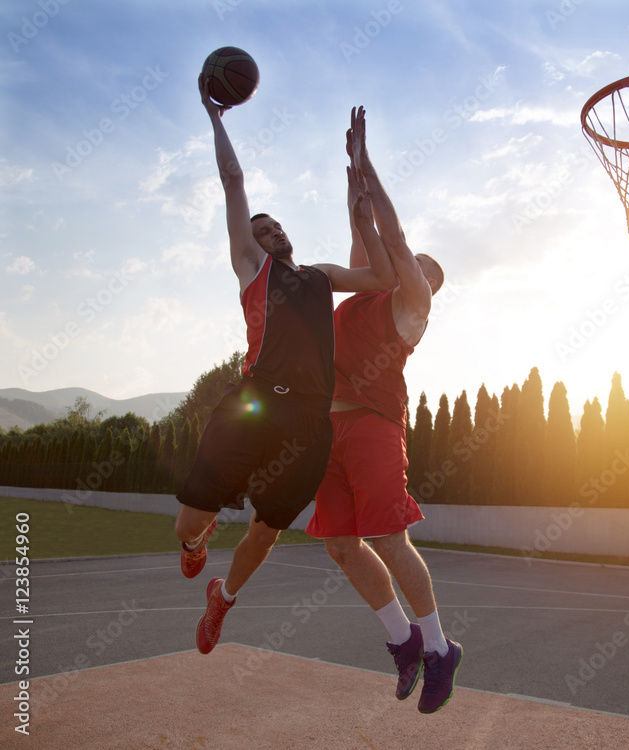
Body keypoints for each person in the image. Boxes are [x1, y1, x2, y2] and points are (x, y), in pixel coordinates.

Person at [175, 79, 397, 657]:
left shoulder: (319, 276)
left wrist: (362, 211)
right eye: (262, 230)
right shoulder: (253, 271)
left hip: (307, 421)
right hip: (254, 404)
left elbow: (381, 278)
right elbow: (233, 181)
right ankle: (197, 543)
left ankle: (222, 599)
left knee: (266, 529)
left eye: (276, 227)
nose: (272, 233)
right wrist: (215, 117)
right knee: (184, 526)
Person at [305, 106, 459, 714]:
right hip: (329, 425)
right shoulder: (370, 284)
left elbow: (390, 239)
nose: (407, 260)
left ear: (426, 280)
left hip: (372, 426)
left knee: (388, 539)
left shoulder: (412, 302)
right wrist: (353, 181)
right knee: (341, 545)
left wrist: (371, 165)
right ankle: (403, 641)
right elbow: (366, 231)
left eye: (418, 263)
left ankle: (442, 649)